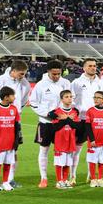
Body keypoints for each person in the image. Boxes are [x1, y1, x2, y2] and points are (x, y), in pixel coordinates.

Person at [0, 59, 30, 188]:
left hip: (14, 121)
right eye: (21, 74)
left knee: (13, 149)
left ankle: (9, 180)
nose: (23, 76)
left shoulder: (25, 83)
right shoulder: (0, 80)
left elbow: (24, 101)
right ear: (13, 71)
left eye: (24, 74)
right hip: (0, 121)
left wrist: (15, 114)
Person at [30, 59, 71, 188]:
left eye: (59, 73)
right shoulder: (40, 85)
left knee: (63, 151)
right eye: (54, 74)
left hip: (61, 123)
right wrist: (47, 114)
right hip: (45, 123)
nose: (57, 76)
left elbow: (70, 100)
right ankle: (44, 178)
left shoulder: (66, 83)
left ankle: (63, 179)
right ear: (48, 72)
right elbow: (33, 103)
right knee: (44, 149)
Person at [71, 58, 103, 185]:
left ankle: (90, 176)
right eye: (90, 66)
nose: (93, 68)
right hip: (81, 120)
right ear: (84, 68)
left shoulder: (101, 83)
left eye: (94, 66)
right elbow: (72, 100)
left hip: (97, 122)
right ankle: (73, 176)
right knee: (77, 149)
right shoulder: (76, 82)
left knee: (95, 150)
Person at [0, 86, 21, 192]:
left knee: (8, 162)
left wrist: (16, 141)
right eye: (13, 95)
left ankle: (5, 182)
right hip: (0, 141)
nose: (14, 97)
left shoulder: (14, 109)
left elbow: (17, 126)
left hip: (10, 141)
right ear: (6, 97)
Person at [47, 89, 81, 189]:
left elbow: (76, 126)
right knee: (59, 162)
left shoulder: (74, 112)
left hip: (71, 140)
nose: (69, 99)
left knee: (67, 162)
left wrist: (65, 119)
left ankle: (65, 180)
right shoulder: (57, 112)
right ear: (61, 99)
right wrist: (67, 119)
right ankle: (59, 181)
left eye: (70, 97)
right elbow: (55, 127)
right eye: (66, 97)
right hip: (60, 140)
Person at [85, 91, 103, 187]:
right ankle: (93, 179)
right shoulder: (90, 111)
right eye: (95, 97)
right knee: (92, 161)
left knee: (102, 161)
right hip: (94, 142)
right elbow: (88, 126)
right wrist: (91, 139)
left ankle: (100, 179)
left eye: (98, 97)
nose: (96, 99)